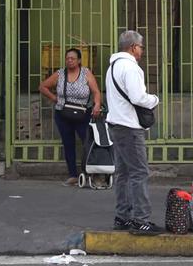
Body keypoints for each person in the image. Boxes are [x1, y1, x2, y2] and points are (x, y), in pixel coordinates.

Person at [106, 30, 161, 235]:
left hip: (116, 125)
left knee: (123, 174)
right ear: (133, 47)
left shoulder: (113, 66)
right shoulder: (130, 67)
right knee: (139, 173)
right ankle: (141, 220)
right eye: (141, 47)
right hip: (129, 128)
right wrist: (154, 99)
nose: (142, 51)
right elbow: (138, 97)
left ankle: (122, 217)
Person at [38, 48, 103, 186]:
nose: (69, 60)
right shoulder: (60, 74)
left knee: (88, 143)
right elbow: (43, 87)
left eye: (73, 58)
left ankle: (93, 174)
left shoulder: (86, 73)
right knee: (68, 144)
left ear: (79, 60)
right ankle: (72, 175)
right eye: (67, 58)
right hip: (63, 114)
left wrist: (97, 104)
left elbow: (96, 92)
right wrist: (55, 98)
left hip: (83, 114)